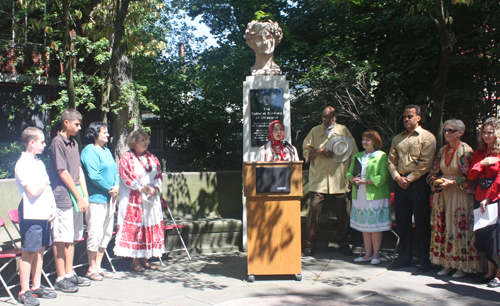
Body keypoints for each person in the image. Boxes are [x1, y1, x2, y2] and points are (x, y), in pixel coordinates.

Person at [427, 119, 481, 278]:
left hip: (459, 195)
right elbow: (433, 172)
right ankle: (446, 263)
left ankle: (462, 265)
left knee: (459, 228)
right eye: (445, 130)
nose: (447, 133)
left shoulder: (466, 151)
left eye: (450, 130)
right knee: (443, 226)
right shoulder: (443, 150)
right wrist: (434, 182)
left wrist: (452, 182)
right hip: (443, 194)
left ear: (460, 133)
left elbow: (472, 179)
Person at [303, 106, 358, 256]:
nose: (327, 121)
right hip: (319, 179)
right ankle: (310, 244)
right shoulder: (315, 131)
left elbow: (354, 153)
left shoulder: (343, 130)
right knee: (313, 211)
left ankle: (344, 243)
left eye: (330, 117)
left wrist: (354, 175)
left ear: (335, 117)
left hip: (339, 179)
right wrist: (320, 151)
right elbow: (306, 153)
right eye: (324, 117)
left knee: (343, 214)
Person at [387, 105, 436, 273]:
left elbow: (426, 163)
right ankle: (404, 257)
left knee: (421, 223)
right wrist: (397, 177)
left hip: (418, 184)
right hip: (400, 182)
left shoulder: (427, 137)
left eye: (410, 116)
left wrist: (410, 178)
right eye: (405, 117)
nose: (407, 119)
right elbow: (391, 161)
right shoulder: (397, 139)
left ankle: (424, 259)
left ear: (418, 118)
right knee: (402, 222)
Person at [49, 108, 91, 292]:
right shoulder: (57, 142)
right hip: (63, 197)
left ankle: (69, 273)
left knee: (72, 238)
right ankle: (60, 278)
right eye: (76, 124)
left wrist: (85, 195)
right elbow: (63, 172)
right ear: (66, 122)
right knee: (61, 239)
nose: (79, 127)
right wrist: (78, 196)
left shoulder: (74, 143)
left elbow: (79, 170)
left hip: (76, 197)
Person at [15, 127, 58, 305]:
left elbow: (47, 190)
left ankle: (36, 286)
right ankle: (23, 291)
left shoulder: (39, 163)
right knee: (29, 251)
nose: (44, 144)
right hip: (31, 213)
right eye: (41, 142)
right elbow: (32, 191)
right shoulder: (22, 164)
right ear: (31, 143)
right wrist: (46, 180)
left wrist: (53, 207)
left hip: (44, 212)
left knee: (40, 249)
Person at [114, 129, 165, 271]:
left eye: (146, 139)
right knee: (137, 228)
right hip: (135, 198)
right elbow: (125, 177)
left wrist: (155, 189)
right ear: (133, 142)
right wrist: (142, 188)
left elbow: (159, 175)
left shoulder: (152, 158)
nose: (145, 142)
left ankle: (146, 258)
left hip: (151, 198)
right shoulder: (127, 158)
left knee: (148, 226)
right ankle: (135, 260)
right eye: (142, 140)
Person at [346, 130, 391, 265]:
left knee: (375, 226)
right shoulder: (358, 156)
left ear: (375, 141)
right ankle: (367, 254)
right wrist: (353, 178)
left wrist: (366, 182)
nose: (364, 142)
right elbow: (348, 173)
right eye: (363, 139)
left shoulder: (381, 156)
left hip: (375, 195)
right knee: (365, 226)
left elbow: (383, 176)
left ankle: (376, 255)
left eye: (368, 139)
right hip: (360, 194)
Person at [80, 122, 119, 281]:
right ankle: (91, 268)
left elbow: (115, 171)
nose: (107, 135)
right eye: (104, 132)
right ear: (95, 134)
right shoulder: (89, 151)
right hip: (96, 198)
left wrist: (116, 185)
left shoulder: (107, 151)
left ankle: (99, 266)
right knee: (95, 232)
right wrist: (108, 188)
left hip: (110, 198)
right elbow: (93, 175)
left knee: (107, 232)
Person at [468, 117, 500, 287]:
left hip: (495, 197)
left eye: (490, 132)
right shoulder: (479, 153)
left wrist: (488, 197)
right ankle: (490, 272)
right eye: (484, 132)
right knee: (485, 236)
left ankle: (498, 275)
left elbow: (499, 178)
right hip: (480, 196)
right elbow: (471, 175)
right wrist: (482, 163)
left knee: (496, 237)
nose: (487, 135)